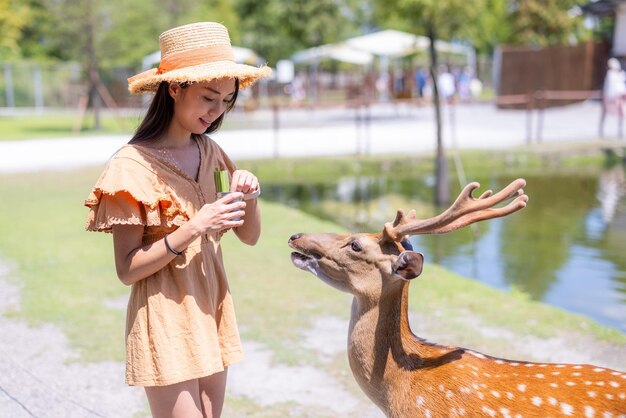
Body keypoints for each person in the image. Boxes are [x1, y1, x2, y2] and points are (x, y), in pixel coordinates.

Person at [84, 22, 271, 418]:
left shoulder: (212, 153)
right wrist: (193, 228)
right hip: (165, 318)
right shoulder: (130, 167)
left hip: (212, 306)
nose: (216, 111)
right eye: (207, 97)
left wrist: (250, 198)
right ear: (174, 88)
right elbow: (126, 269)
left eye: (226, 100)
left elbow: (249, 236)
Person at [600, 57, 626, 138]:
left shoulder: (619, 74)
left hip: (617, 97)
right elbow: (609, 87)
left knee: (621, 114)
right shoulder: (611, 74)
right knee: (605, 114)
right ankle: (601, 130)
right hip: (612, 97)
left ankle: (619, 131)